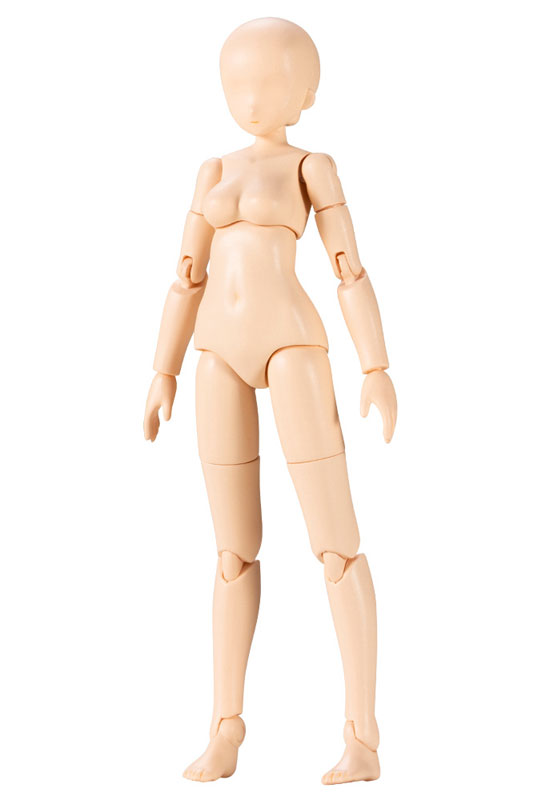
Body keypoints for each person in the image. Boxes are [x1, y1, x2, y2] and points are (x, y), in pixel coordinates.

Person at [143, 17, 397, 785]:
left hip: (291, 345)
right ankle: (225, 728)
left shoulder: (312, 167)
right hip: (215, 354)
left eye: (272, 83)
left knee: (336, 544)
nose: (253, 98)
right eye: (238, 83)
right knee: (232, 553)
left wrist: (376, 365)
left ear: (307, 93)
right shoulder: (211, 170)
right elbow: (185, 277)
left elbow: (350, 269)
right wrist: (162, 370)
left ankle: (362, 735)